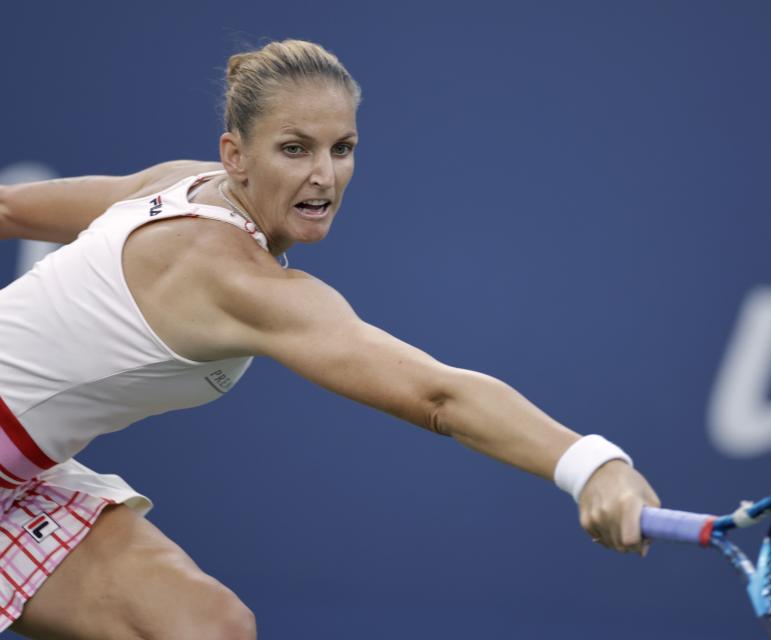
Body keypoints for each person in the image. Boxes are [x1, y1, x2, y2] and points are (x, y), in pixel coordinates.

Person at [0, 40, 660, 639]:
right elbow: (438, 396)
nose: (324, 175)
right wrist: (592, 465)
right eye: (295, 149)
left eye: (341, 148)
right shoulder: (236, 280)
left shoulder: (182, 182)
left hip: (19, 475)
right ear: (236, 156)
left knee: (204, 627)